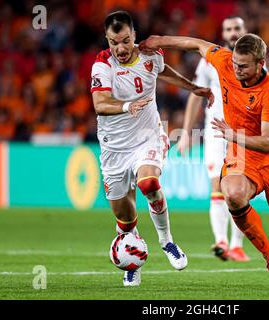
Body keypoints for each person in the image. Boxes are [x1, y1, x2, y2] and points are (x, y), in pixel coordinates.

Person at [140, 33, 269, 290]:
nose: (236, 69)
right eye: (236, 63)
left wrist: (232, 134)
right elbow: (196, 44)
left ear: (260, 63)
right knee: (232, 194)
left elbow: (267, 142)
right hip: (241, 154)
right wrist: (159, 40)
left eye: (243, 65)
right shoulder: (226, 61)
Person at [91, 11, 214, 286]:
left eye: (125, 41)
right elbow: (100, 104)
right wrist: (125, 106)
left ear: (134, 35)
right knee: (124, 217)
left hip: (148, 136)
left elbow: (163, 71)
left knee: (148, 183)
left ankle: (166, 241)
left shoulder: (150, 55)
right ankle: (133, 257)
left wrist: (192, 87)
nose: (120, 49)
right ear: (107, 41)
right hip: (114, 149)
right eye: (114, 42)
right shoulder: (102, 64)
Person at [177, 16, 250, 262]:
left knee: (238, 190)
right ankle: (221, 241)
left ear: (245, 30)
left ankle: (237, 244)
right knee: (217, 185)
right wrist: (186, 132)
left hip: (240, 134)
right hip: (214, 132)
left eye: (236, 28)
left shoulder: (255, 61)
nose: (232, 33)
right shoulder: (210, 60)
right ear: (223, 32)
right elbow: (196, 95)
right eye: (228, 28)